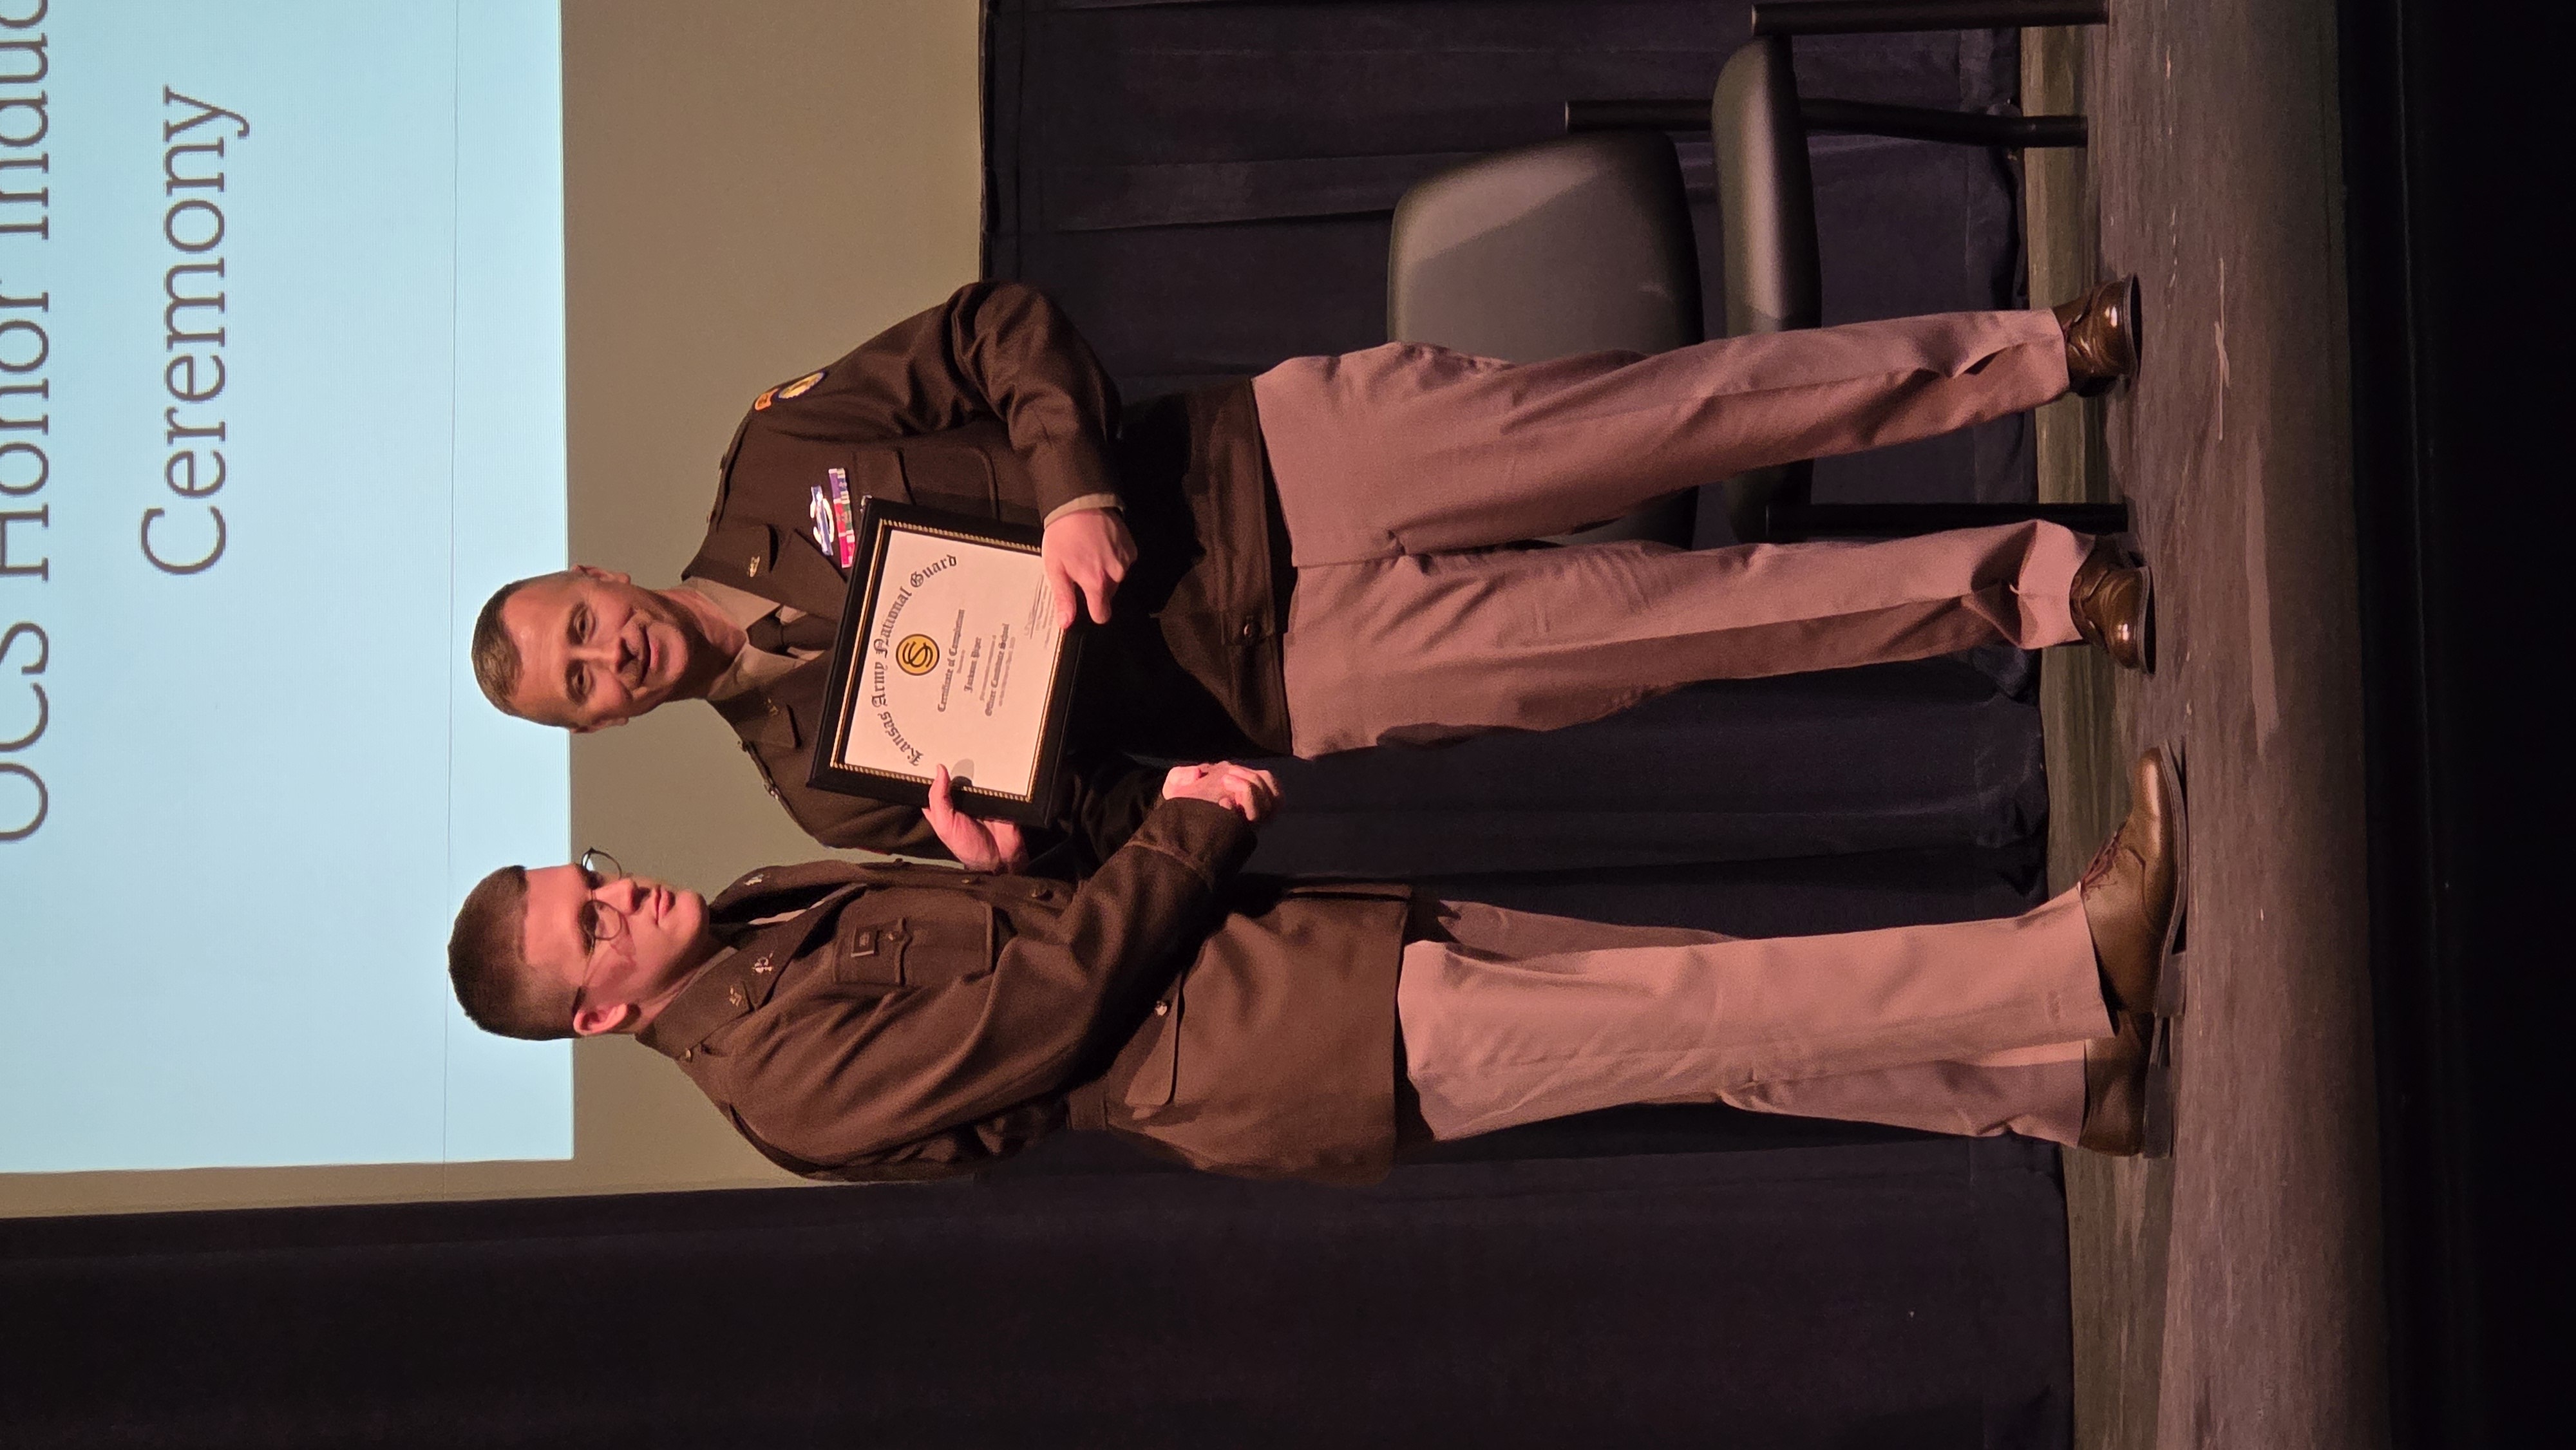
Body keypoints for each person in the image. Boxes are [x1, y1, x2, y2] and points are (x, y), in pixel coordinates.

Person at [469, 279, 2152, 871]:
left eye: (577, 624)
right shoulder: (815, 792)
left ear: (596, 571)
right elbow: (1106, 810)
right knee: (1696, 630)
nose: (607, 654)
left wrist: (1065, 492)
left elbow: (1001, 328)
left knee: (1678, 415)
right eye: (581, 685)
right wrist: (1015, 842)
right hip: (1285, 673)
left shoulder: (773, 461)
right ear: (597, 729)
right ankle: (2052, 588)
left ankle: (2027, 356)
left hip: (1267, 460)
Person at [445, 748, 2187, 1184]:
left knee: (1703, 1007)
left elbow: (1024, 945)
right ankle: (2065, 968)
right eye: (588, 923)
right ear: (597, 1011)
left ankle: (2058, 1084)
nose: (620, 892)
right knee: (1712, 1010)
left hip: (1297, 954)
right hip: (1290, 1040)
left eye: (587, 873)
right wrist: (1183, 833)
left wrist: (1009, 856)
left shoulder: (751, 909)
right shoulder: (765, 1074)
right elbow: (1052, 1013)